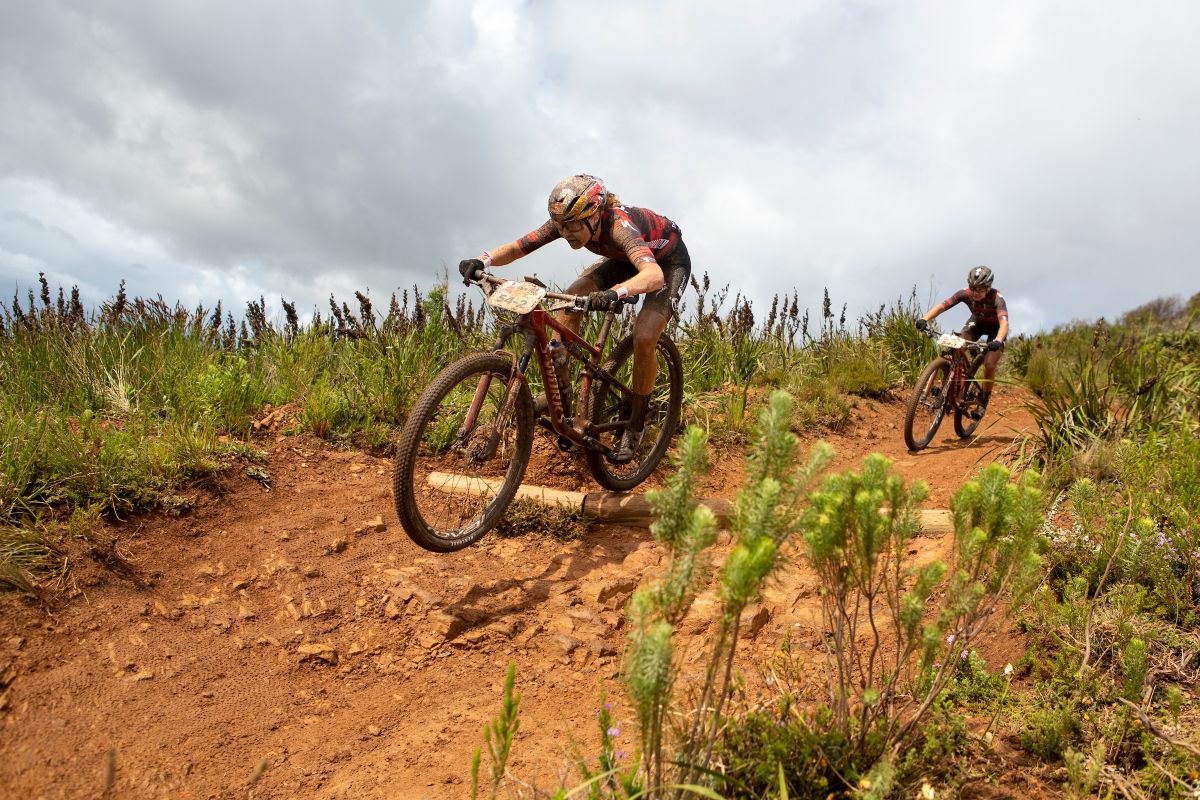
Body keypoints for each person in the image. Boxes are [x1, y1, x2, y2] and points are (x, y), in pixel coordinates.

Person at [457, 174, 691, 463]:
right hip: (621, 260)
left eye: (573, 226)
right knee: (572, 297)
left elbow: (653, 276)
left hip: (667, 263)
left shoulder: (619, 228)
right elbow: (520, 246)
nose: (566, 233)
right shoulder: (565, 221)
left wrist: (615, 293)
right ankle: (561, 388)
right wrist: (483, 260)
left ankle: (636, 418)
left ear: (595, 216)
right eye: (561, 226)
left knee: (644, 335)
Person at [916, 265, 1009, 419]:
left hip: (996, 329)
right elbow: (942, 306)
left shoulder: (997, 298)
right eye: (972, 288)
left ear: (988, 287)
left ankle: (983, 401)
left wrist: (998, 340)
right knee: (958, 345)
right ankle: (952, 385)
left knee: (989, 363)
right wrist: (924, 319)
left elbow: (1004, 324)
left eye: (979, 289)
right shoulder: (965, 294)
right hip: (976, 324)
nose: (974, 293)